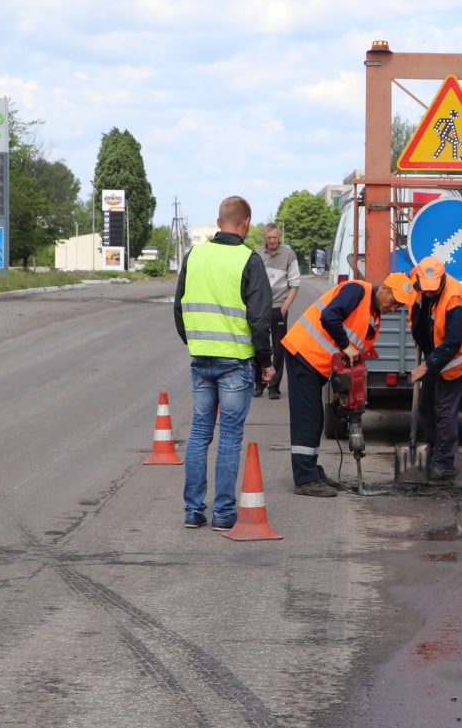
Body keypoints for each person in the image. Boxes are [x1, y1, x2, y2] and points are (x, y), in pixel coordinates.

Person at [174, 196, 274, 530]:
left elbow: (179, 307)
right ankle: (223, 514)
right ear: (246, 223)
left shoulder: (195, 255)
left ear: (219, 223)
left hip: (200, 358)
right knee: (230, 437)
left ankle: (192, 510)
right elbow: (260, 320)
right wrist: (266, 362)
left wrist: (195, 343)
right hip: (235, 361)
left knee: (200, 432)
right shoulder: (250, 260)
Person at [281, 272, 417, 496]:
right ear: (383, 289)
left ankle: (311, 471)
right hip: (303, 355)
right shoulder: (357, 291)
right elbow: (329, 316)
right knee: (308, 417)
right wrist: (346, 345)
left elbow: (351, 357)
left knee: (315, 418)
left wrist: (342, 388)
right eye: (393, 303)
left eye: (399, 307)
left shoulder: (374, 317)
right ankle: (304, 478)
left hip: (317, 364)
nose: (393, 309)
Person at [408, 256, 462, 481]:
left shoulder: (454, 297)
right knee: (426, 407)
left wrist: (426, 366)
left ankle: (443, 462)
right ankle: (431, 452)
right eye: (424, 290)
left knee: (444, 410)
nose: (428, 294)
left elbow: (454, 341)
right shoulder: (416, 282)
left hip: (455, 358)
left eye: (432, 291)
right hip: (433, 354)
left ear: (442, 280)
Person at [253, 222, 301, 400]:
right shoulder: (256, 254)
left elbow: (294, 284)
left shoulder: (289, 255)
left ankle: (274, 386)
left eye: (275, 237)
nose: (272, 241)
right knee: (259, 344)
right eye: (269, 238)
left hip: (279, 306)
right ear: (264, 237)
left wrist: (285, 308)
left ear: (279, 237)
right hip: (260, 307)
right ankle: (259, 383)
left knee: (280, 348)